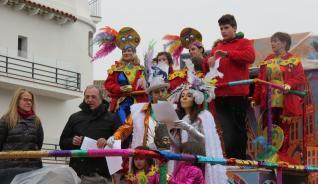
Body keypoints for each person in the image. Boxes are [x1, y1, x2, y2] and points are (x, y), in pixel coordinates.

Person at [252, 32, 306, 163]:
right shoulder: (268, 59)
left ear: (284, 43)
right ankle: (269, 158)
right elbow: (260, 80)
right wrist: (255, 98)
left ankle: (281, 159)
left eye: (276, 41)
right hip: (269, 101)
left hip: (285, 101)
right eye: (272, 41)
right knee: (268, 130)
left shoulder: (293, 60)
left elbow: (300, 78)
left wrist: (289, 84)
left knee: (283, 132)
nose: (273, 44)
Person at [207, 14, 255, 159]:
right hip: (220, 94)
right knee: (226, 130)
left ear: (234, 28)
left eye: (226, 27)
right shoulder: (217, 47)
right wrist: (207, 61)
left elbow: (250, 57)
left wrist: (228, 54)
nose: (223, 31)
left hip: (237, 94)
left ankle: (240, 159)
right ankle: (230, 159)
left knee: (238, 128)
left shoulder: (244, 42)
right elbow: (209, 69)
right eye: (221, 28)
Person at [59, 85, 120, 183]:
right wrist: (72, 141)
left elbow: (121, 143)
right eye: (87, 97)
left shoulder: (112, 118)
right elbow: (62, 143)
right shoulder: (74, 117)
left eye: (93, 97)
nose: (90, 99)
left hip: (101, 175)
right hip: (77, 174)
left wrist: (108, 142)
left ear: (101, 98)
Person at [168, 83, 227, 184]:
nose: (184, 98)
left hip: (200, 161)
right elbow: (179, 146)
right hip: (185, 162)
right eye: (182, 96)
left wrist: (189, 128)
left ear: (195, 99)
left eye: (189, 96)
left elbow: (205, 140)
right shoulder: (182, 119)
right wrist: (168, 133)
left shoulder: (204, 116)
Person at [107, 77, 170, 149]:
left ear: (167, 92)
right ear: (151, 94)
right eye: (156, 92)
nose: (160, 94)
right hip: (143, 156)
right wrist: (115, 137)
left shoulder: (174, 110)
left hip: (167, 155)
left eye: (162, 91)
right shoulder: (138, 110)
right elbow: (126, 128)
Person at [0, 88, 44, 184]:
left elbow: (38, 145)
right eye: (25, 99)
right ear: (17, 101)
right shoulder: (6, 120)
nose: (29, 102)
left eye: (30, 100)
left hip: (32, 169)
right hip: (9, 170)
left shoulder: (37, 121)